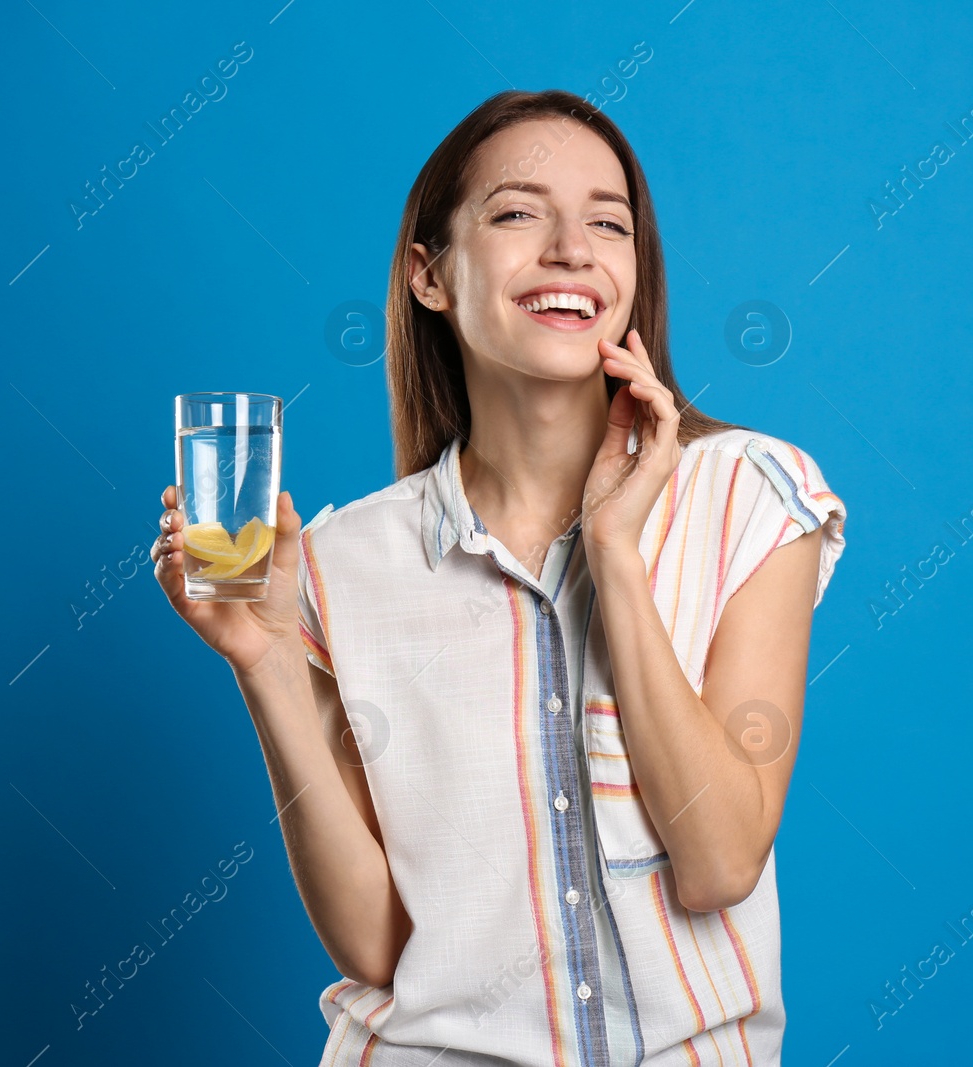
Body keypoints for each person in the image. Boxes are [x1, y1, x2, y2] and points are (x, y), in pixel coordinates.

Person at [151, 88, 847, 1066]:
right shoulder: (341, 563)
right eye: (518, 211)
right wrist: (262, 657)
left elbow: (720, 857)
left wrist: (614, 553)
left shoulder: (750, 494)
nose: (571, 247)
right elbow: (379, 944)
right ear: (427, 275)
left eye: (607, 222)